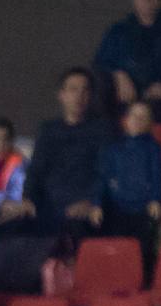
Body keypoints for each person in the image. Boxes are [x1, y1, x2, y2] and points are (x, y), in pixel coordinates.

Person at [22, 67, 115, 239]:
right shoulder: (48, 130)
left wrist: (91, 202)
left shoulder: (103, 130)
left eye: (85, 90)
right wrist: (27, 198)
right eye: (73, 89)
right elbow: (36, 170)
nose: (79, 96)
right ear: (61, 94)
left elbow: (106, 173)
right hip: (49, 206)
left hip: (85, 208)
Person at [93, 100, 161, 273]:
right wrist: (97, 204)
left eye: (144, 117)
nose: (138, 120)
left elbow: (157, 176)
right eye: (134, 116)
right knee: (115, 242)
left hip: (143, 208)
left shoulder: (154, 149)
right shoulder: (114, 150)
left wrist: (156, 199)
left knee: (144, 245)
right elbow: (103, 179)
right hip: (118, 207)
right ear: (125, 120)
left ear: (151, 123)